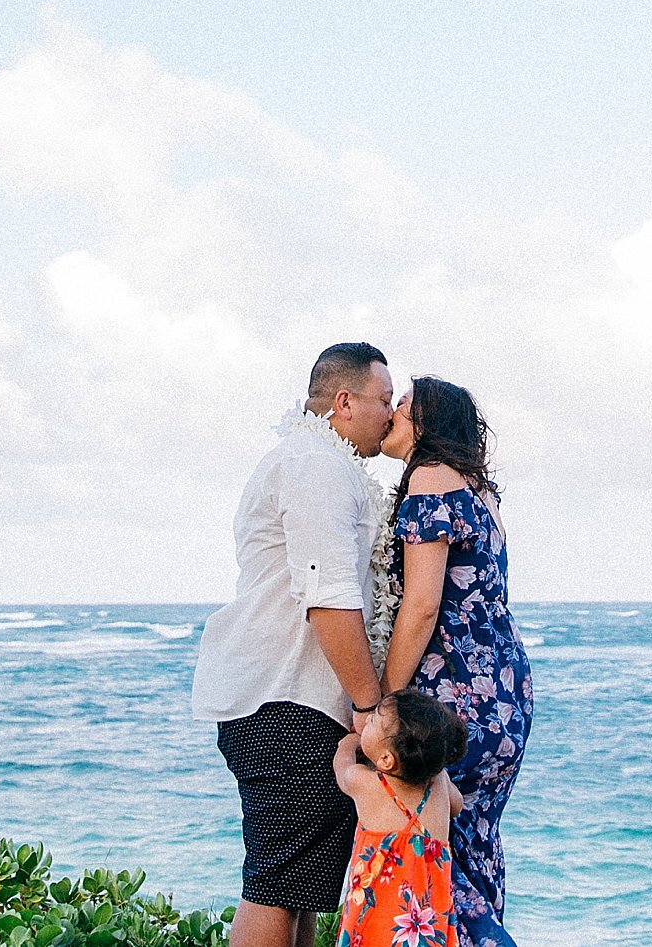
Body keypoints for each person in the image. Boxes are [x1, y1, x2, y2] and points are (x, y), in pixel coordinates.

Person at [192, 341, 399, 947]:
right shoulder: (316, 466)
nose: (391, 413)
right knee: (277, 884)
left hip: (293, 699)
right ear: (344, 402)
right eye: (384, 400)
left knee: (300, 890)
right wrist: (368, 705)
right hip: (286, 700)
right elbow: (328, 594)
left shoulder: (320, 465)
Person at [378, 377, 531, 947]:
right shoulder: (478, 492)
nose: (392, 410)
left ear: (429, 422)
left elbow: (421, 607)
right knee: (471, 844)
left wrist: (382, 702)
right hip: (504, 694)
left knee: (433, 853)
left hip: (456, 695)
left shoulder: (430, 477)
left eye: (403, 403)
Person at [331, 690, 467, 947]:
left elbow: (342, 771)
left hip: (376, 920)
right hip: (426, 924)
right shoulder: (439, 783)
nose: (367, 721)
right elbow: (457, 806)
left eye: (372, 722)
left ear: (386, 759)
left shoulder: (366, 783)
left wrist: (347, 744)